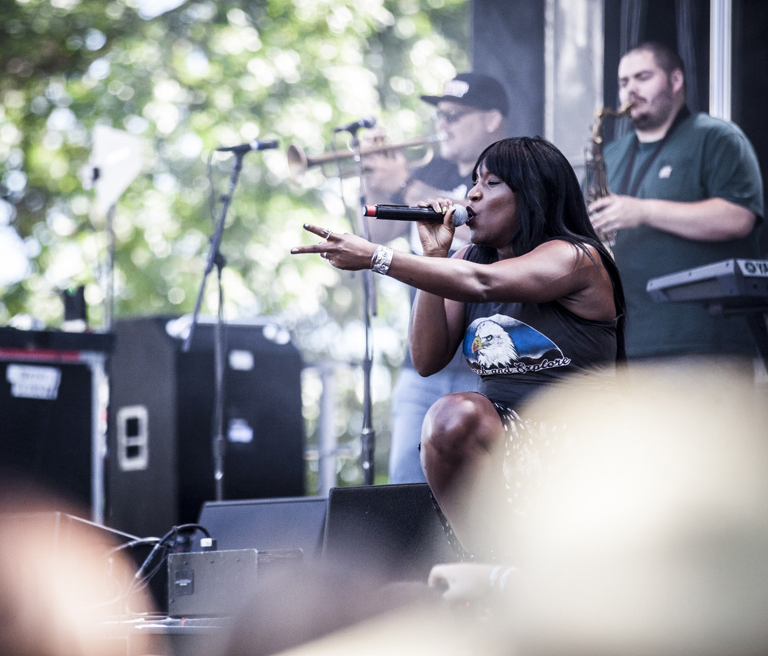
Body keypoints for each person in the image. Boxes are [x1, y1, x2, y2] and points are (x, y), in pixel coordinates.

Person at [292, 136, 625, 556]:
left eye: (492, 182)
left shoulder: (575, 258)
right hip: (505, 440)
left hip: (580, 439)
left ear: (533, 192)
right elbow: (427, 359)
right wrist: (434, 259)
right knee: (451, 418)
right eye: (473, 181)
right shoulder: (468, 259)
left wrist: (378, 256)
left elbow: (481, 285)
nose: (471, 194)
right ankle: (488, 566)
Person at [361, 73, 510, 484]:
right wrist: (372, 182)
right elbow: (374, 237)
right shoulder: (434, 172)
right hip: (424, 357)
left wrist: (404, 184)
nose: (441, 124)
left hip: (486, 356)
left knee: (483, 491)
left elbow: (480, 224)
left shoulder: (512, 172)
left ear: (492, 118)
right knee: (405, 489)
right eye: (439, 115)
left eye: (454, 115)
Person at [588, 41, 764, 364]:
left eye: (642, 77)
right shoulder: (610, 155)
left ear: (676, 80)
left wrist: (642, 211)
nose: (631, 90)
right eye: (624, 82)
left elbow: (739, 217)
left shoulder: (718, 138)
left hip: (705, 343)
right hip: (628, 344)